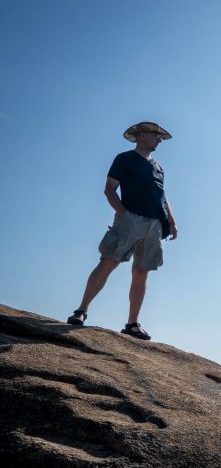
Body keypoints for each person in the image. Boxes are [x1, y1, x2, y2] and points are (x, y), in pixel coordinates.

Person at [67, 122, 178, 340]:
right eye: (156, 135)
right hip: (130, 219)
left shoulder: (158, 166)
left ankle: (132, 324)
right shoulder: (124, 158)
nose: (160, 139)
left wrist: (172, 221)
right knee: (109, 261)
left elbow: (162, 196)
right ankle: (81, 311)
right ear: (141, 136)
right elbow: (109, 190)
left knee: (141, 271)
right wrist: (124, 215)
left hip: (155, 224)